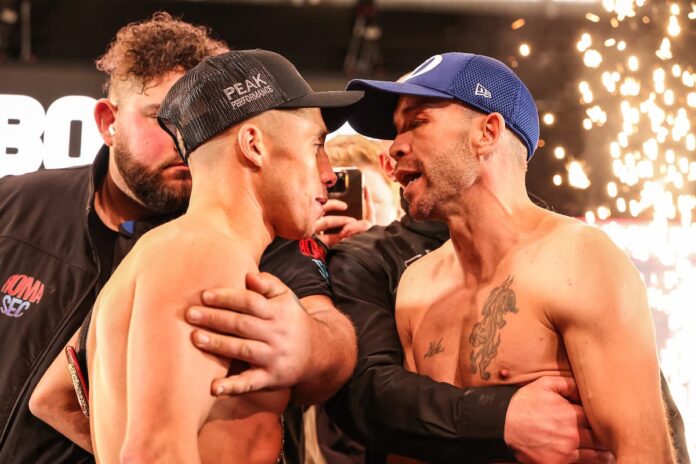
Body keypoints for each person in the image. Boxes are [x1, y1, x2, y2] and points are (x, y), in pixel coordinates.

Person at [1, 13, 356, 463]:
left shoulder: (162, 249)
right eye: (315, 145)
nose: (329, 174)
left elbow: (50, 397)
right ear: (254, 145)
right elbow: (152, 453)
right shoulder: (208, 255)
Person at [342, 52, 675, 462]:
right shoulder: (418, 284)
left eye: (416, 122)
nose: (395, 147)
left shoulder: (578, 259)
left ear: (487, 132)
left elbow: (646, 453)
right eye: (396, 130)